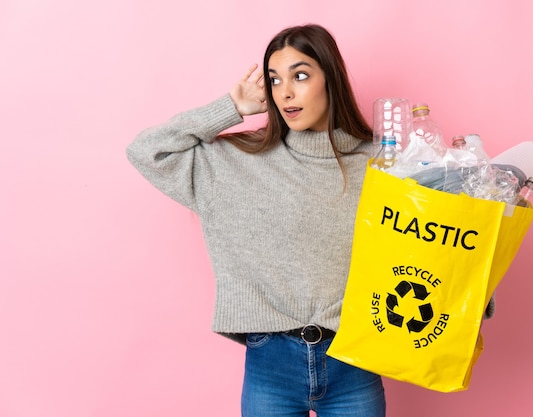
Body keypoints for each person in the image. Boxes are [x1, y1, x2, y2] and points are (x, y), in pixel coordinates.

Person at [126, 24, 386, 416]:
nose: (285, 92)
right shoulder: (235, 163)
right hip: (271, 365)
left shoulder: (382, 163)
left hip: (355, 359)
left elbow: (433, 243)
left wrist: (470, 301)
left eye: (300, 76)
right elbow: (148, 151)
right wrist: (231, 107)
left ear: (329, 78)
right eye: (274, 80)